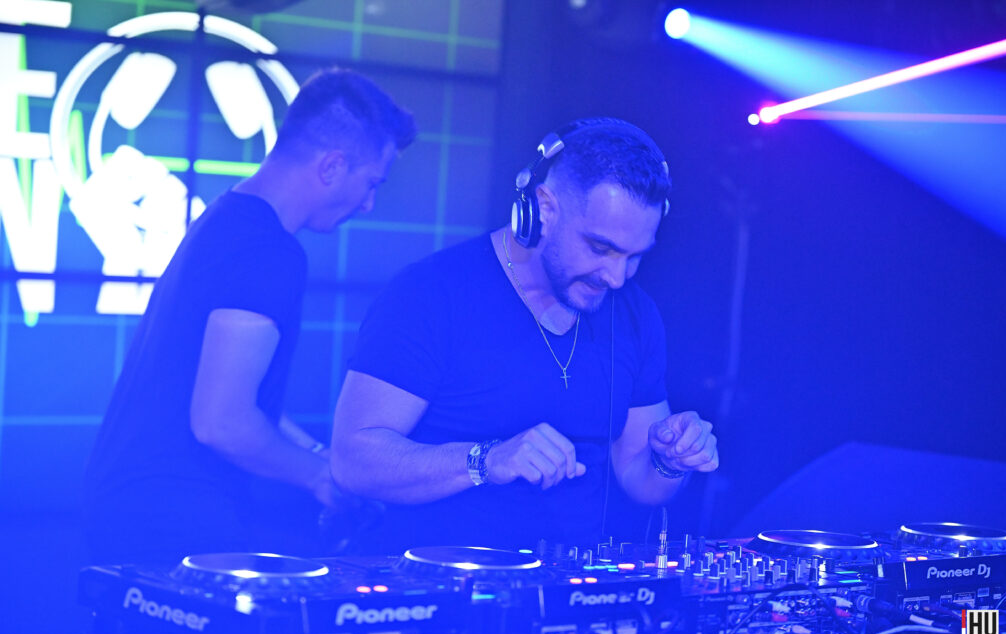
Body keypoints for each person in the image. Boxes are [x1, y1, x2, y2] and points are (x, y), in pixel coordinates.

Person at [330, 118, 717, 554]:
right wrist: (485, 460)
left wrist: (670, 460)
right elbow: (352, 461)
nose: (616, 277)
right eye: (600, 248)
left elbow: (639, 479)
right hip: (443, 582)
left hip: (572, 586)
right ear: (543, 209)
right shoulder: (431, 295)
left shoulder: (635, 314)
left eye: (634, 257)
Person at [83, 68, 416, 564]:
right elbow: (221, 422)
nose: (368, 205)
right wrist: (320, 478)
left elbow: (232, 393)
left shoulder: (226, 220)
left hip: (132, 509)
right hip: (172, 522)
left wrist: (321, 457)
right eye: (371, 184)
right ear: (332, 166)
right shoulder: (269, 250)